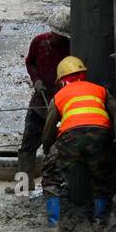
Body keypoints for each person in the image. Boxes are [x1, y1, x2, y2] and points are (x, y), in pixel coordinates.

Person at [40, 55, 116, 230]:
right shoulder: (101, 90)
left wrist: (48, 151)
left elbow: (49, 130)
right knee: (101, 177)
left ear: (61, 80)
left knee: (51, 176)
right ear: (83, 74)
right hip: (101, 134)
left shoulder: (59, 95)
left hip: (71, 136)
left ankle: (54, 224)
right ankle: (99, 221)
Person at [18, 11, 72, 192]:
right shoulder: (39, 42)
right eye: (56, 34)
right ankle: (23, 187)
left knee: (55, 148)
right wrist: (36, 80)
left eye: (62, 35)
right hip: (39, 104)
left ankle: (53, 186)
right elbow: (30, 62)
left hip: (61, 107)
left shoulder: (72, 48)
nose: (58, 38)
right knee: (27, 146)